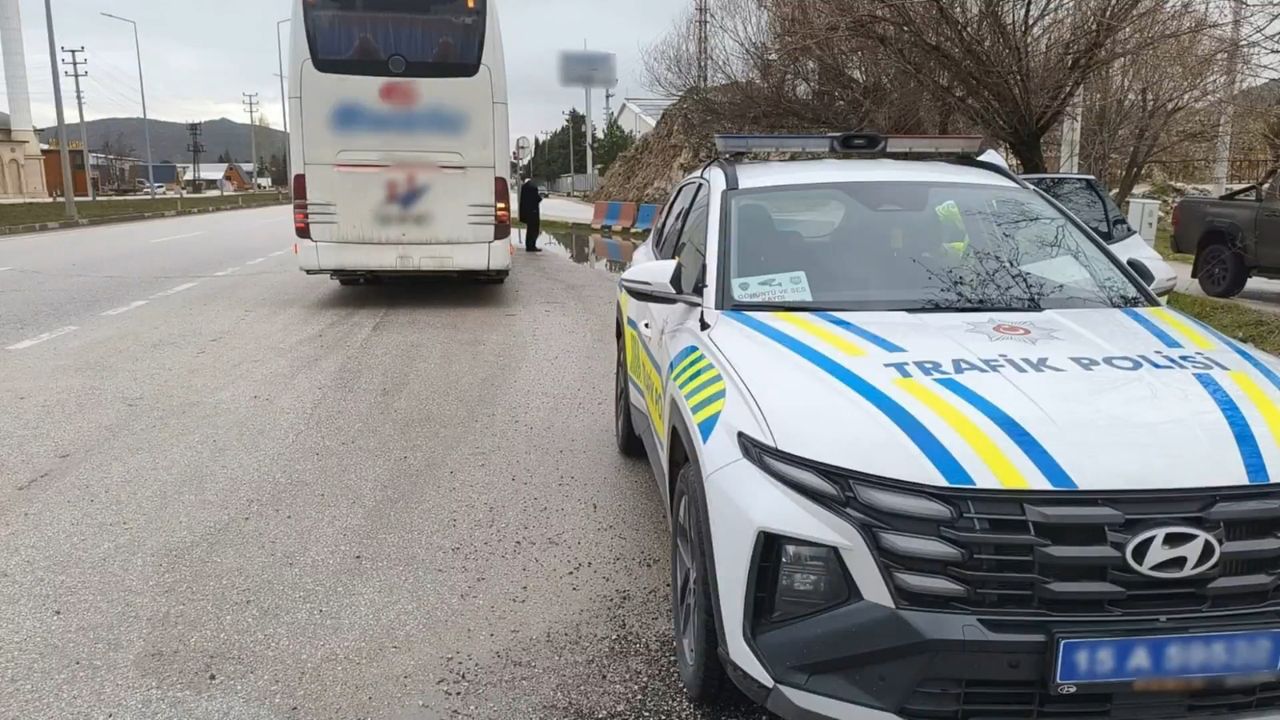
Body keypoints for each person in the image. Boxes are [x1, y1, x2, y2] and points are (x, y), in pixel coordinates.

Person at [519, 177, 543, 252]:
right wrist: (540, 198)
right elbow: (536, 199)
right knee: (534, 229)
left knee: (529, 229)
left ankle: (529, 245)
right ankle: (531, 246)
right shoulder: (533, 187)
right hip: (533, 211)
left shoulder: (524, 186)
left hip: (527, 211)